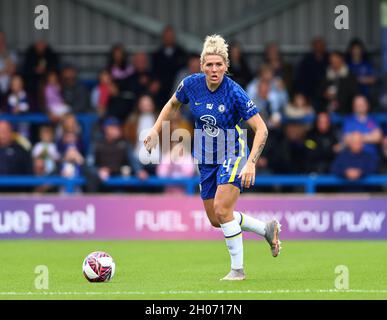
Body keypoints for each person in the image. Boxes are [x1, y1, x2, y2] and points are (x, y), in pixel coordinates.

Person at [144, 35, 281, 281]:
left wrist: (250, 162)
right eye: (209, 65)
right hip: (206, 155)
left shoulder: (235, 93)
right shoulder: (191, 85)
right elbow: (172, 104)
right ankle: (265, 229)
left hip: (232, 151)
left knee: (222, 208)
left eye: (219, 64)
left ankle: (238, 271)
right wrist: (155, 130)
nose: (214, 69)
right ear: (201, 66)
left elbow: (262, 128)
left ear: (226, 66)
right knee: (216, 218)